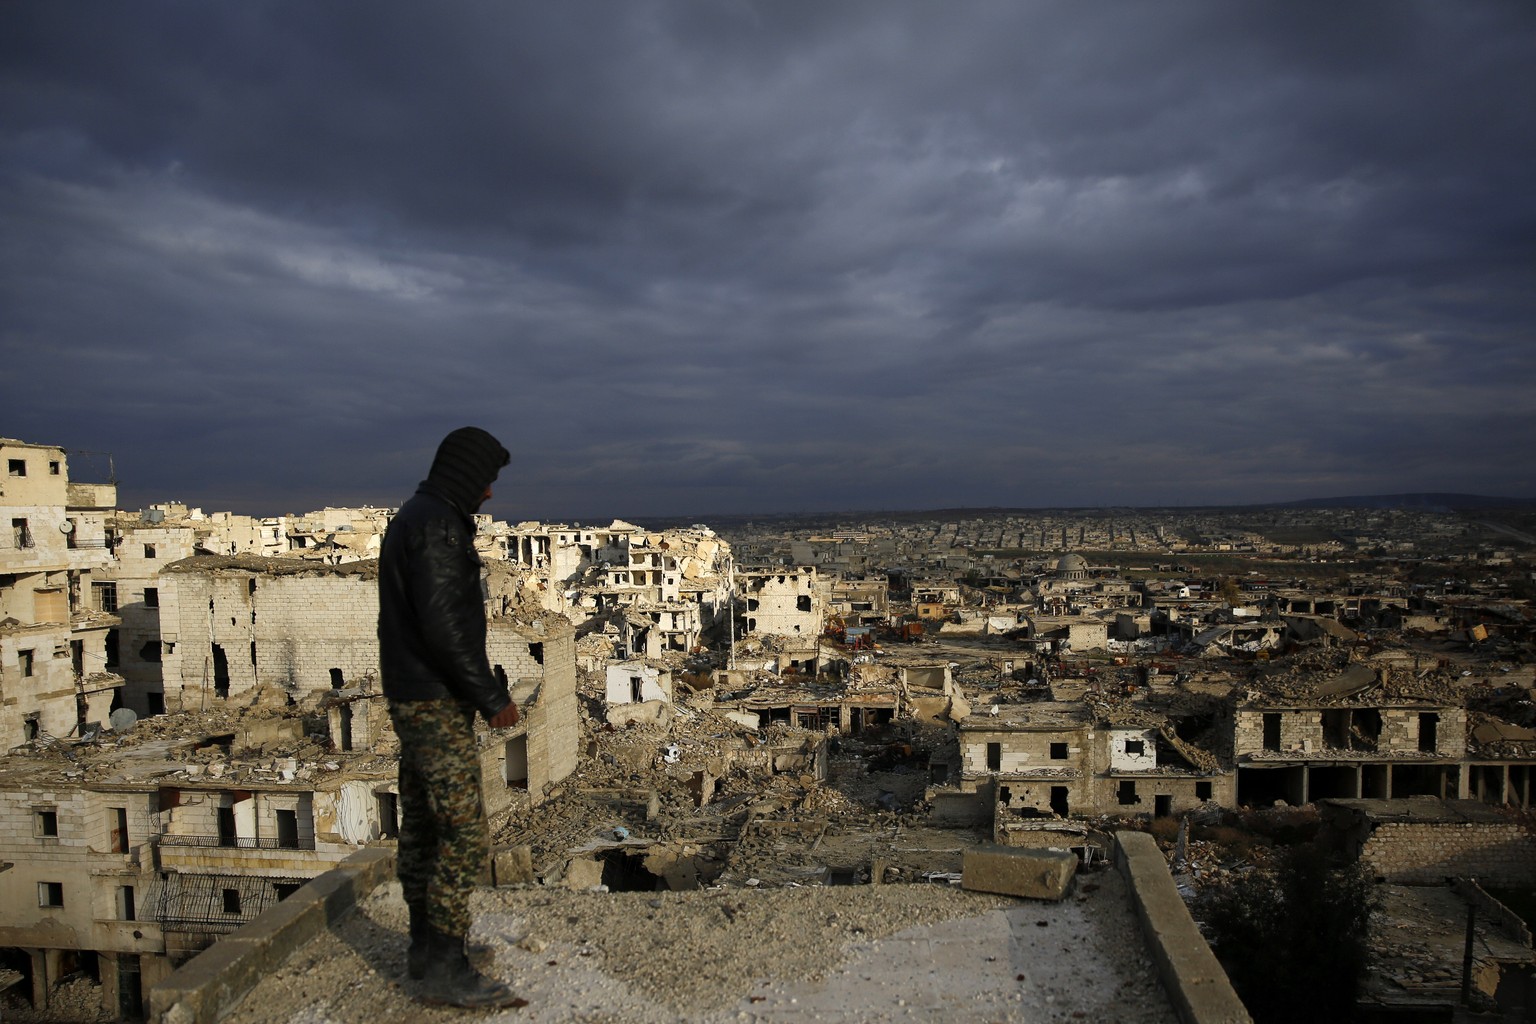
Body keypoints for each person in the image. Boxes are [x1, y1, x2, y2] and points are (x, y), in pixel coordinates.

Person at [377, 427, 521, 1008]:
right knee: (463, 832)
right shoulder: (437, 528)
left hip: (412, 693)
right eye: (485, 479)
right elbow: (445, 628)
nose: (489, 493)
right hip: (435, 701)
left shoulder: (414, 517)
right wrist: (491, 698)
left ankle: (422, 948)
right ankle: (447, 968)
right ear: (465, 474)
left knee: (421, 825)